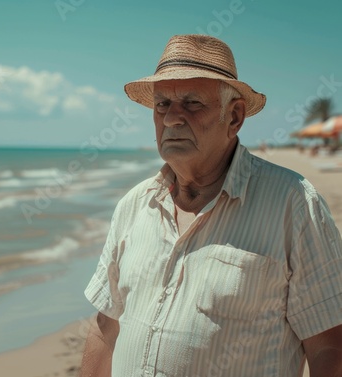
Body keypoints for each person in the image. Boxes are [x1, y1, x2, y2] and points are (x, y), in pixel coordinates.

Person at [80, 34, 342, 377]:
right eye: (162, 105)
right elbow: (106, 327)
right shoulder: (133, 205)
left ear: (234, 117)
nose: (172, 119)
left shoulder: (293, 203)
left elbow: (329, 346)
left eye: (191, 104)